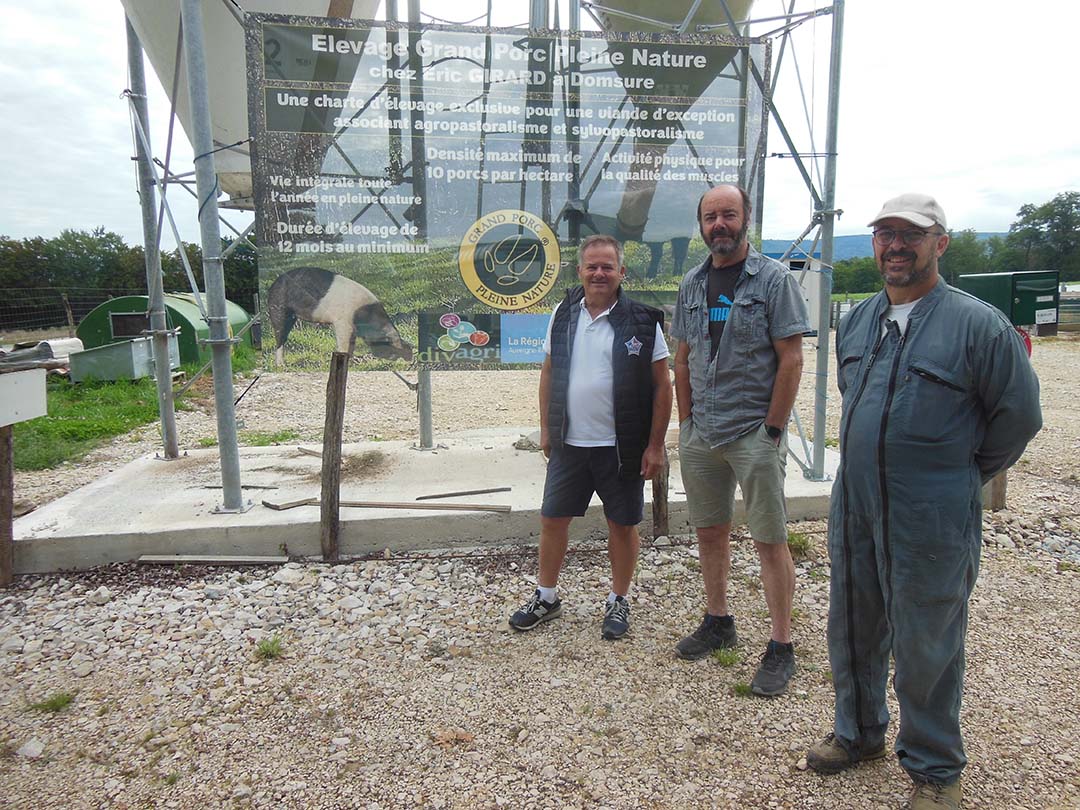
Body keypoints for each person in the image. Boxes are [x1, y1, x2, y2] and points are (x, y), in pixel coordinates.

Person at [805, 193, 1042, 810]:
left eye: (911, 234)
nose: (895, 245)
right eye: (885, 233)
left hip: (930, 511)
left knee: (927, 640)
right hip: (855, 501)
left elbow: (1019, 416)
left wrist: (959, 476)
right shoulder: (856, 320)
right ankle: (858, 734)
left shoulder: (978, 324)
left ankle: (936, 770)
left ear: (941, 242)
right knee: (853, 627)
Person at [670, 184, 811, 696]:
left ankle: (781, 645)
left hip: (754, 431)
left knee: (769, 539)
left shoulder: (772, 280)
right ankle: (718, 619)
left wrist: (773, 429)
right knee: (710, 532)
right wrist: (686, 422)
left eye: (728, 214)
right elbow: (683, 357)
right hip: (702, 433)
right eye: (710, 217)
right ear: (702, 225)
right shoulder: (691, 283)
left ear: (746, 218)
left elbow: (791, 359)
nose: (719, 225)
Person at [509, 234, 672, 640]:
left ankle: (618, 600)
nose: (599, 273)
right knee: (552, 519)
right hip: (570, 443)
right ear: (579, 270)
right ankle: (546, 597)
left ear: (621, 272)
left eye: (607, 267)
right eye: (592, 266)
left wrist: (655, 445)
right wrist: (547, 427)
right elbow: (549, 371)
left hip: (622, 447)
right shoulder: (563, 314)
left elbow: (662, 385)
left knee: (622, 524)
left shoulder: (643, 321)